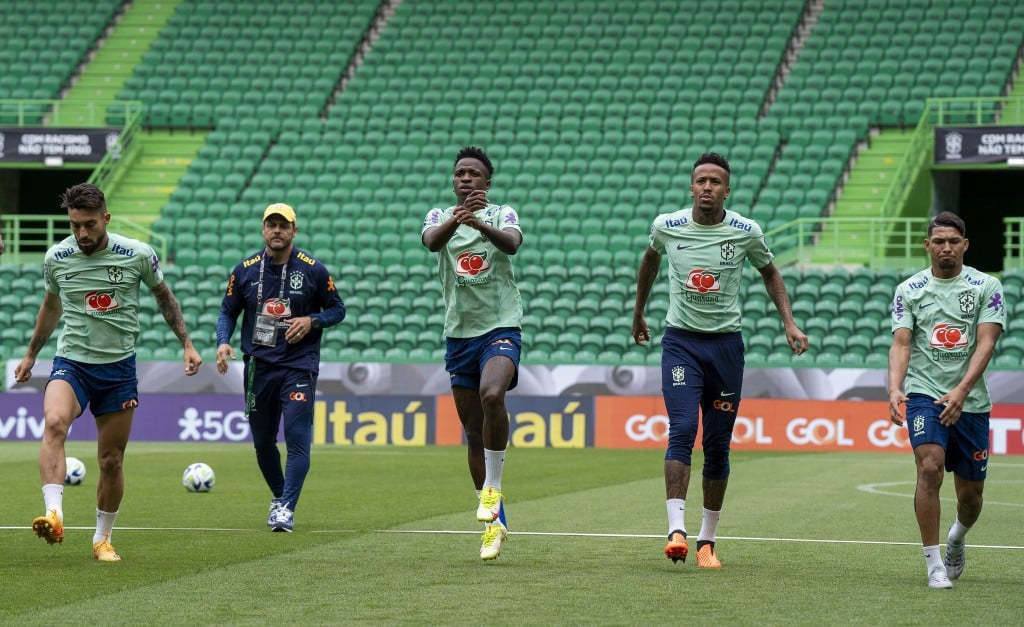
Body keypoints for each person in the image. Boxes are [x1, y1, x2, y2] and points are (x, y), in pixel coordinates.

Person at [632, 152, 808, 568]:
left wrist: (790, 322)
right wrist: (638, 311)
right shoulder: (667, 226)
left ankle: (706, 542)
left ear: (727, 190)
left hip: (726, 347)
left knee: (717, 445)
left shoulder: (746, 231)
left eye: (715, 181)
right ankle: (676, 529)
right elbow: (650, 260)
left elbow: (770, 272)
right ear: (691, 187)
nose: (707, 187)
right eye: (701, 181)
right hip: (681, 343)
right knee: (683, 427)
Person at [14, 182, 203, 562]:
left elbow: (164, 296)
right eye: (74, 225)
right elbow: (51, 308)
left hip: (118, 368)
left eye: (89, 225)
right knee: (54, 423)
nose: (82, 233)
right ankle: (55, 514)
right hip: (72, 363)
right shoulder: (57, 258)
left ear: (105, 219)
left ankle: (102, 539)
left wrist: (186, 342)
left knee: (111, 460)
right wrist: (32, 354)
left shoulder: (137, 254)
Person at [887, 211, 1005, 589]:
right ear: (927, 246)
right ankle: (934, 563)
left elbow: (986, 342)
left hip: (971, 401)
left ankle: (956, 537)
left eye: (954, 241)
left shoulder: (987, 285)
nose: (946, 248)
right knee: (929, 468)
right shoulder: (909, 290)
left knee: (971, 497)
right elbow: (901, 344)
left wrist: (962, 390)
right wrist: (894, 387)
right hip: (925, 395)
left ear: (965, 245)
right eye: (939, 241)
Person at [215, 202, 346, 532]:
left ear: (294, 231)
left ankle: (286, 507)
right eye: (271, 225)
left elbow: (337, 310)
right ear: (263, 230)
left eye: (283, 225)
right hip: (258, 367)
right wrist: (222, 341)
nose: (277, 230)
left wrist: (312, 320)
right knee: (262, 443)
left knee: (297, 439)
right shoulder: (243, 270)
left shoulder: (313, 270)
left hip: (298, 367)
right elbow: (227, 311)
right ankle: (279, 496)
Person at [421, 146, 523, 561]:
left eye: (474, 174)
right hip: (459, 335)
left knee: (492, 394)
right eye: (460, 173)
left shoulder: (502, 215)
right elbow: (431, 242)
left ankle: (493, 489)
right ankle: (495, 525)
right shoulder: (437, 216)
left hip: (500, 327)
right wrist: (457, 218)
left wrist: (478, 222)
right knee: (473, 431)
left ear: (487, 182)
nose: (466, 179)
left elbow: (512, 245)